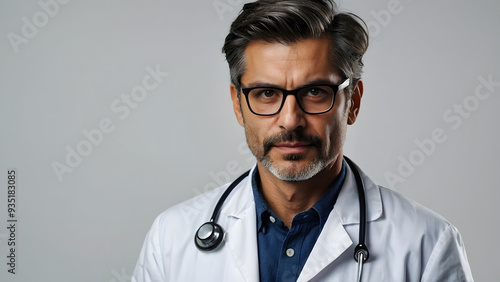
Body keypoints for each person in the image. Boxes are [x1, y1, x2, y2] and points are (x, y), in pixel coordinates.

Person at [132, 0, 474, 281]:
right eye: (266, 93)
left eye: (314, 91)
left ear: (352, 102)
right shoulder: (171, 239)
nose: (290, 119)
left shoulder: (426, 245)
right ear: (238, 104)